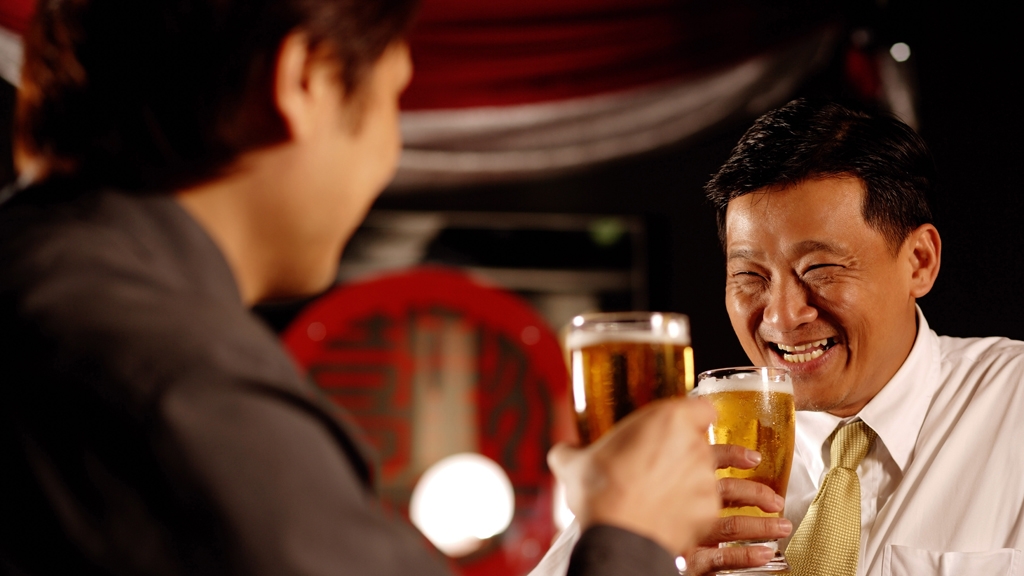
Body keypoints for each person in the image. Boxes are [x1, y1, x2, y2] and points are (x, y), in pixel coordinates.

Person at [0, 1, 722, 574]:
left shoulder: (46, 290)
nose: (391, 151)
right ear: (306, 79)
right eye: (395, 97)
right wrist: (629, 534)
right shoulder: (182, 387)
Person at [696, 98, 1024, 575]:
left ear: (919, 262)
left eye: (820, 268)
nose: (783, 316)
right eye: (749, 275)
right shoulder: (683, 449)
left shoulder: (1014, 404)